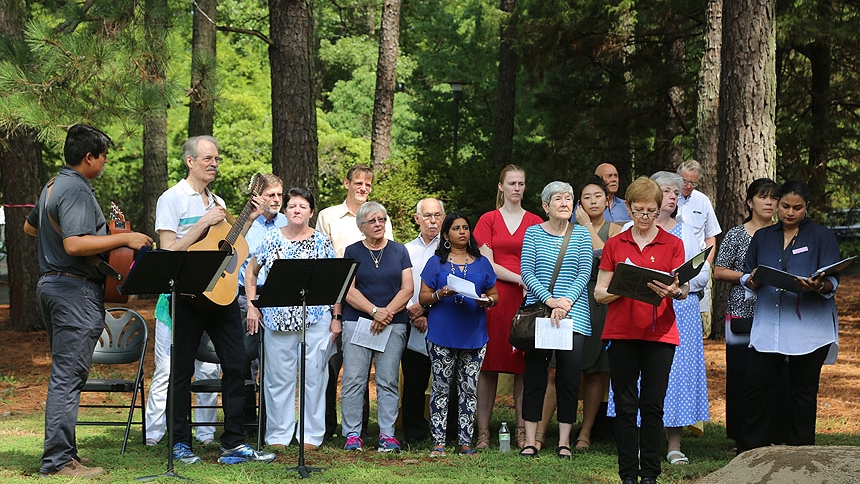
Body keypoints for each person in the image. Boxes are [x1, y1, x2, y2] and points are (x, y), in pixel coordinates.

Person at [24, 124, 153, 478]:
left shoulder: (51, 185)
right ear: (88, 157)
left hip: (51, 286)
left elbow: (29, 228)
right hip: (73, 291)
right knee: (68, 379)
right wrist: (124, 237)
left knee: (66, 375)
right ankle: (58, 462)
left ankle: (66, 454)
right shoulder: (77, 189)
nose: (106, 161)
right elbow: (75, 245)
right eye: (103, 156)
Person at [155, 135, 275, 465]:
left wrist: (247, 219)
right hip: (189, 295)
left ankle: (234, 442)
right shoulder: (172, 199)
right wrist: (201, 225)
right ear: (190, 161)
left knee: (236, 366)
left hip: (222, 297)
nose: (214, 164)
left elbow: (227, 245)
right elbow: (168, 253)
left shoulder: (218, 200)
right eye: (208, 158)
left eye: (217, 159)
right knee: (181, 373)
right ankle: (180, 442)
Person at [594, 176, 687, 484]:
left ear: (659, 209)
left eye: (650, 211)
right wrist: (625, 288)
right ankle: (627, 475)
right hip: (621, 333)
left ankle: (650, 474)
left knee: (652, 405)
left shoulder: (673, 243)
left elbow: (683, 288)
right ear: (628, 209)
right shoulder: (615, 243)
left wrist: (673, 291)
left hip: (660, 334)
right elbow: (599, 292)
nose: (644, 217)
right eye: (638, 210)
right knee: (625, 405)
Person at [738, 180, 841, 453]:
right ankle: (751, 451)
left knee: (803, 392)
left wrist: (818, 285)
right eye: (785, 206)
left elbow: (832, 279)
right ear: (778, 203)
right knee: (756, 388)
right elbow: (748, 273)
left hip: (808, 328)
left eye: (797, 207)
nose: (790, 212)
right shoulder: (763, 236)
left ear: (807, 207)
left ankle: (801, 453)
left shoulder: (822, 236)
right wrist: (753, 281)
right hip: (769, 324)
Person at [245, 187, 339, 450]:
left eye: (303, 206)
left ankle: (310, 435)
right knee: (278, 380)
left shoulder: (322, 241)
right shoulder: (271, 238)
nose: (297, 210)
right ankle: (278, 435)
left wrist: (336, 316)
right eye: (292, 206)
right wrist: (253, 307)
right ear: (285, 211)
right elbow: (251, 273)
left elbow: (335, 280)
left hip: (315, 319)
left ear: (311, 212)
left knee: (314, 378)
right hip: (278, 320)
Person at [316, 164, 393, 441]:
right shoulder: (328, 216)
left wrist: (377, 308)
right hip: (335, 300)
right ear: (346, 183)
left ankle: (358, 429)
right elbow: (321, 258)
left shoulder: (379, 216)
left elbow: (387, 260)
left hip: (370, 302)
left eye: (368, 184)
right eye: (358, 183)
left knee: (361, 368)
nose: (363, 188)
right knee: (331, 366)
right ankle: (326, 428)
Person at [518, 182, 592, 459]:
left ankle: (564, 441)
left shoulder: (582, 235)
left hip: (575, 316)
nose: (565, 203)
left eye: (569, 199)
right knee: (535, 377)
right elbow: (527, 271)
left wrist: (565, 303)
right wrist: (550, 301)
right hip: (541, 313)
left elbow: (584, 272)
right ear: (546, 206)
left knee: (569, 379)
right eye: (558, 199)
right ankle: (529, 440)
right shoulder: (533, 233)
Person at [473, 164, 544, 449]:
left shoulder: (536, 221)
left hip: (528, 300)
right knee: (489, 366)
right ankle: (482, 432)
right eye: (512, 183)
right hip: (497, 297)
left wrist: (530, 284)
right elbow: (487, 263)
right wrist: (520, 279)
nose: (517, 188)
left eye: (521, 183)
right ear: (501, 186)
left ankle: (522, 430)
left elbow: (542, 259)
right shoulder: (488, 219)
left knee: (523, 367)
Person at [418, 212, 499, 457]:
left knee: (469, 389)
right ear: (446, 235)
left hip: (474, 334)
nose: (462, 232)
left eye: (465, 227)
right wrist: (439, 295)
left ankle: (465, 442)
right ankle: (439, 443)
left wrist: (489, 301)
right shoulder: (436, 263)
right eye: (456, 228)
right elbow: (423, 297)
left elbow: (494, 294)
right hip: (442, 333)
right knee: (441, 389)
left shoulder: (482, 262)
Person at [649, 171, 710, 465]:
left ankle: (674, 444)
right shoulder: (631, 228)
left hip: (680, 311)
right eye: (667, 191)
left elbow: (702, 273)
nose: (673, 197)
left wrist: (680, 286)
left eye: (676, 193)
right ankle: (643, 441)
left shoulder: (685, 231)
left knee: (677, 375)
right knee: (642, 372)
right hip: (643, 309)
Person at [341, 201, 412, 452]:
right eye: (372, 221)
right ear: (361, 226)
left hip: (393, 324)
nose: (378, 224)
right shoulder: (351, 251)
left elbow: (408, 288)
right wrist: (374, 311)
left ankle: (387, 435)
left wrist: (387, 313)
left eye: (382, 219)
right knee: (353, 380)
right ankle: (352, 434)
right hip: (358, 321)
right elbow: (347, 290)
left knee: (388, 380)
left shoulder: (399, 250)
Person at [714, 178, 780, 445]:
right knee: (743, 372)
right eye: (763, 197)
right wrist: (745, 278)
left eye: (774, 198)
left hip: (777, 313)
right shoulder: (736, 234)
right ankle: (743, 436)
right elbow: (719, 270)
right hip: (742, 312)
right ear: (750, 202)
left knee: (776, 373)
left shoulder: (784, 234)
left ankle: (774, 432)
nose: (769, 202)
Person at [573, 176, 622, 451]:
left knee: (596, 370)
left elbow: (607, 258)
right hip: (576, 300)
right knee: (562, 369)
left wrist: (587, 227)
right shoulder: (570, 229)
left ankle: (587, 431)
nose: (593, 201)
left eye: (598, 196)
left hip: (604, 300)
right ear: (579, 203)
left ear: (607, 200)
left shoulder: (616, 228)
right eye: (587, 197)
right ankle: (551, 429)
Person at [237, 173, 288, 432]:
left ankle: (271, 423)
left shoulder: (288, 223)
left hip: (280, 298)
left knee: (276, 362)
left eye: (280, 194)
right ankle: (246, 422)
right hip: (248, 298)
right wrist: (252, 304)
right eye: (271, 195)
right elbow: (239, 265)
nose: (277, 199)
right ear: (258, 197)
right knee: (246, 359)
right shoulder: (246, 225)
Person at [402, 198, 445, 444]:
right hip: (411, 322)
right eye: (427, 215)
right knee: (414, 381)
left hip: (441, 320)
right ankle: (414, 432)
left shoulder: (451, 250)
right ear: (417, 218)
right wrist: (413, 312)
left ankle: (446, 430)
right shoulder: (405, 249)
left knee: (444, 380)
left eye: (437, 215)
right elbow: (399, 285)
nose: (432, 220)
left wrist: (427, 312)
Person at [676, 160, 722, 337]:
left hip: (697, 266)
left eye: (693, 183)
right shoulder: (668, 198)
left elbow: (711, 235)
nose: (688, 186)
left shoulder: (702, 201)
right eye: (685, 181)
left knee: (693, 316)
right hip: (673, 264)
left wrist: (706, 264)